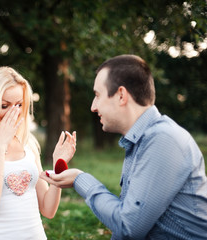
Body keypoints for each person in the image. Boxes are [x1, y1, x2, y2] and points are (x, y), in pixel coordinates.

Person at [40, 54, 207, 239]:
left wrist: (80, 180)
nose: (93, 107)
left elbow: (128, 227)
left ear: (121, 95)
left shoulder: (164, 140)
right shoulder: (139, 142)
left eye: (97, 95)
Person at [0, 66, 76, 240]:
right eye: (5, 106)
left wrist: (58, 168)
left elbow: (48, 210)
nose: (15, 112)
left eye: (19, 104)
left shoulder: (28, 142)